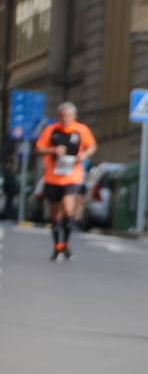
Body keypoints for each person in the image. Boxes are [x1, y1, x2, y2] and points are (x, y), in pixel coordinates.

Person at [34, 102, 97, 261]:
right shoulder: (51, 130)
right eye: (62, 116)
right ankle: (57, 246)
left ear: (74, 117)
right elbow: (39, 148)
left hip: (72, 176)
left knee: (69, 210)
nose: (65, 119)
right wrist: (53, 150)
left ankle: (66, 244)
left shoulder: (81, 130)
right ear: (58, 117)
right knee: (55, 215)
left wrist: (84, 155)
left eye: (68, 116)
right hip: (53, 176)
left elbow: (92, 146)